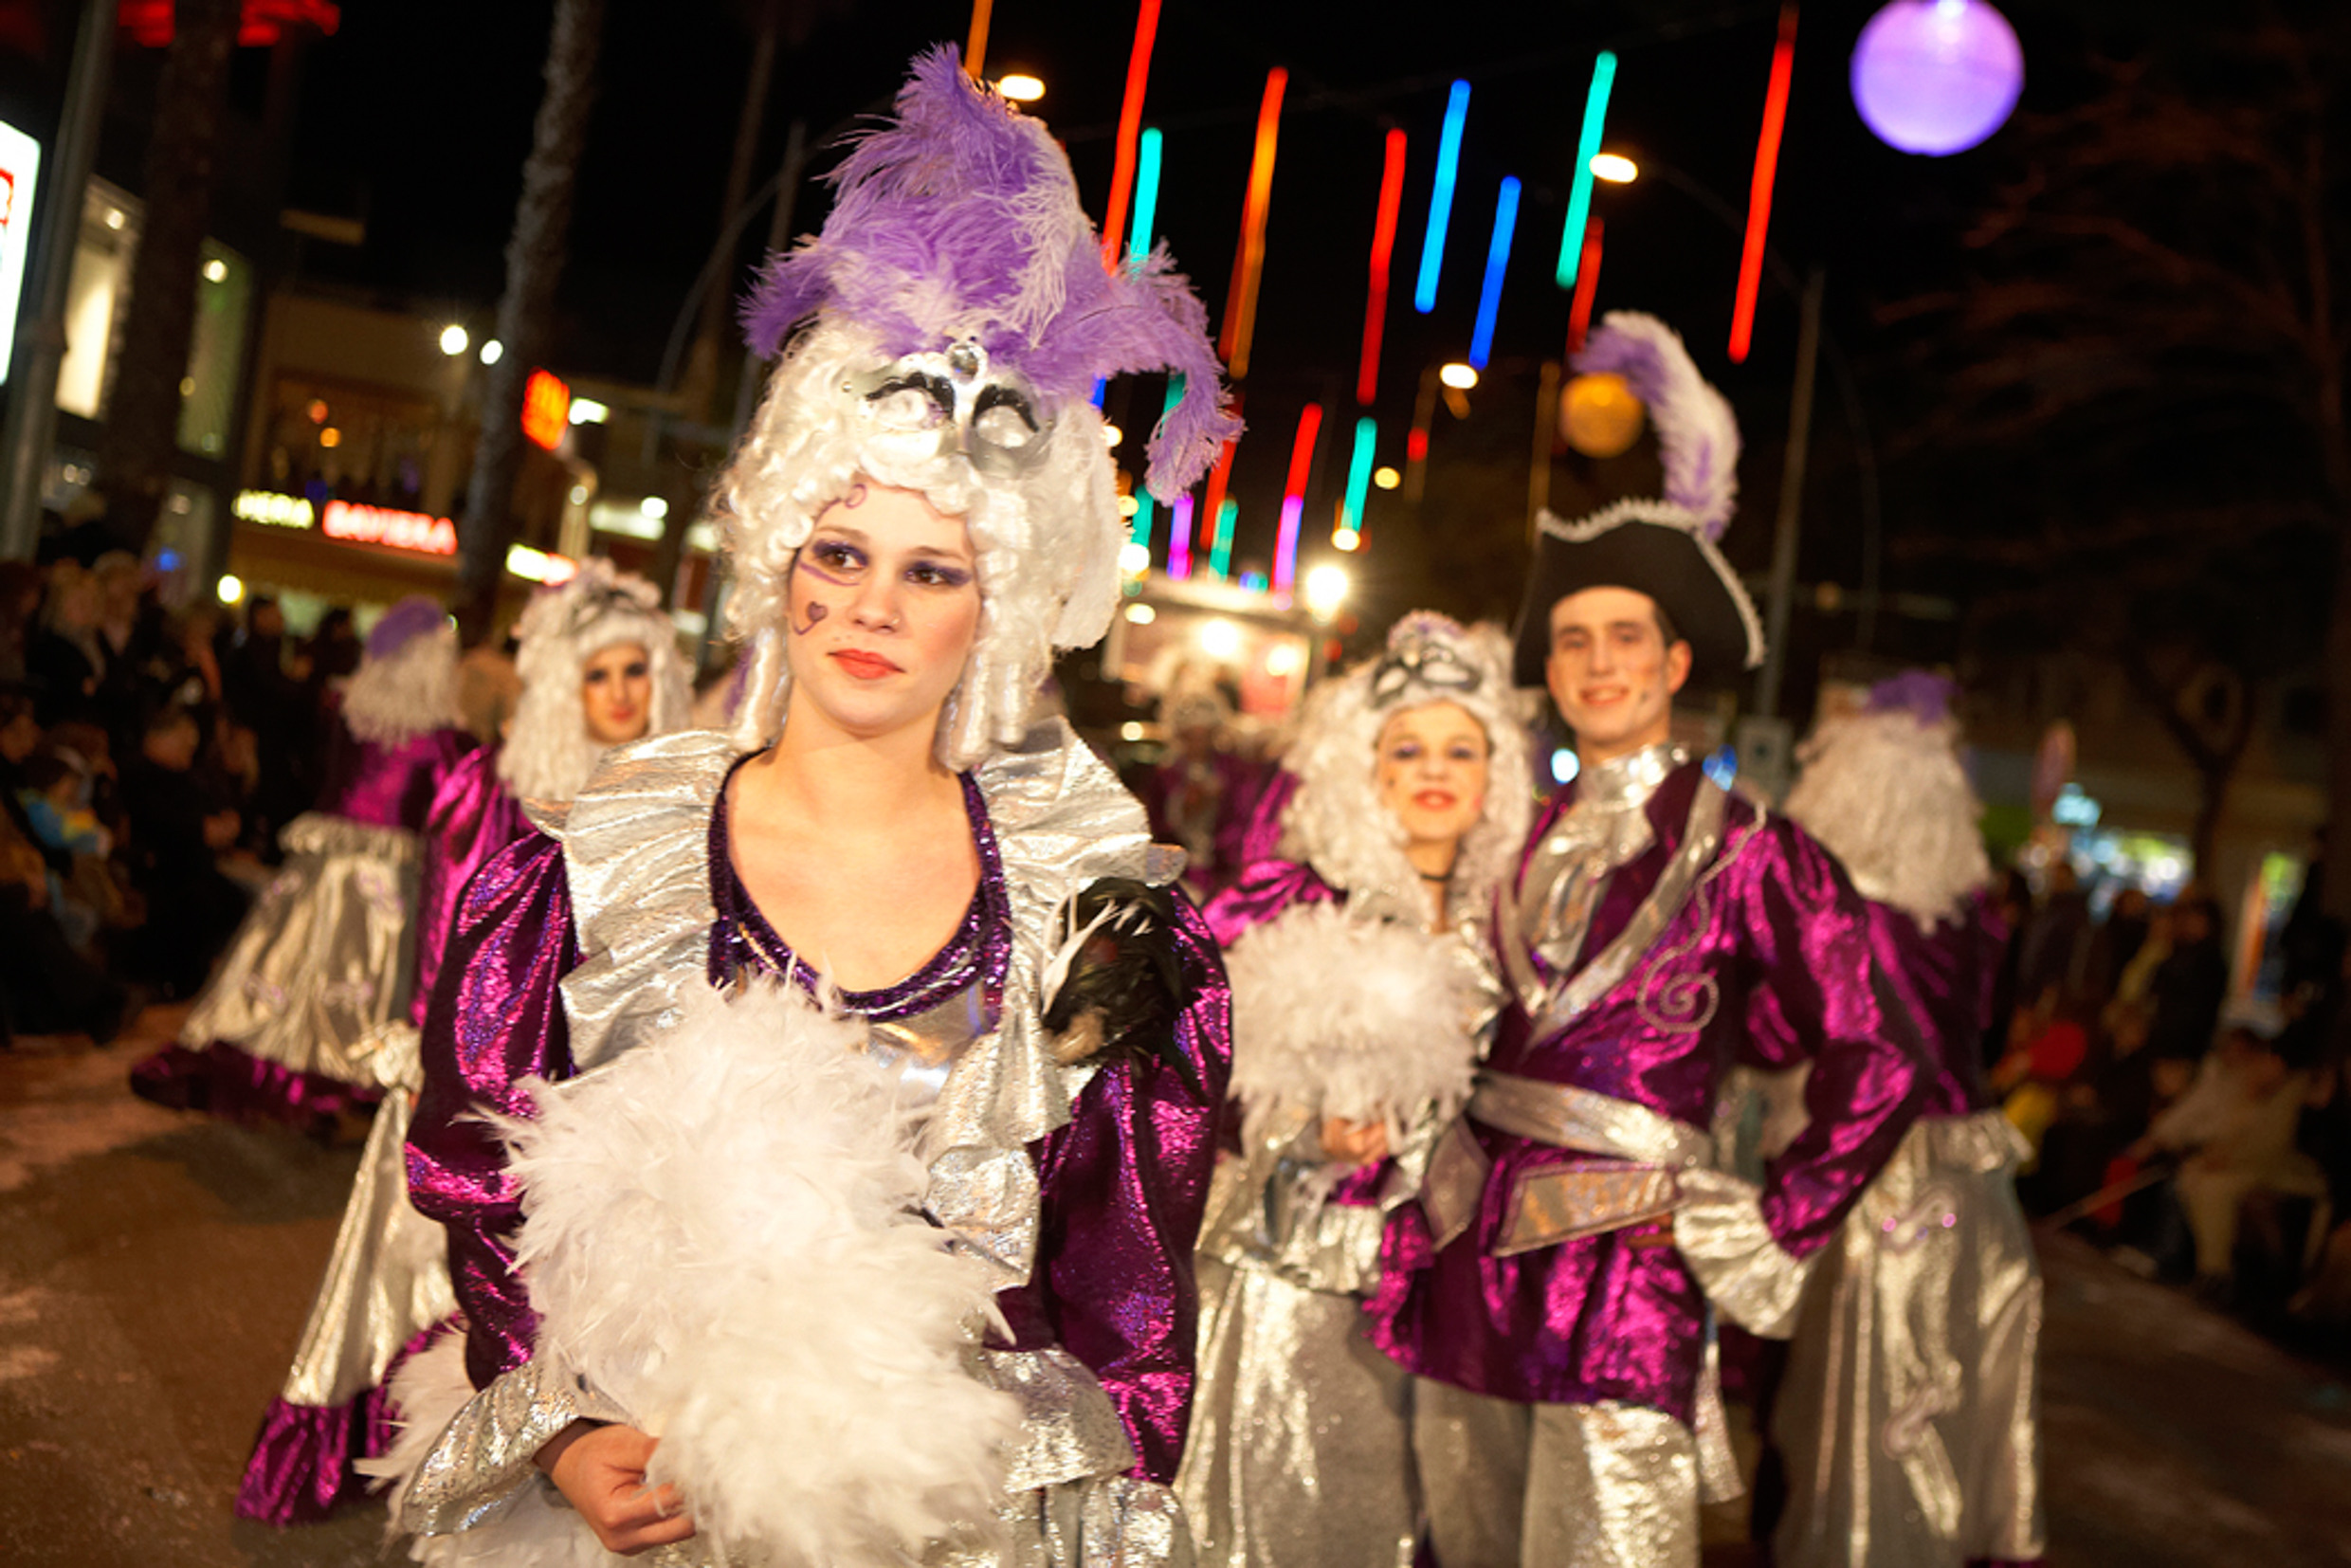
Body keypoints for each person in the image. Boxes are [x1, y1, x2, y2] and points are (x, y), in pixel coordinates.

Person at [376, 49, 1238, 1566]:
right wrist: (561, 1432)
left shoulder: (1091, 909)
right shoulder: (585, 866)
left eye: (934, 572)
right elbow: (474, 1167)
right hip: (630, 1504)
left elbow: (1130, 1285)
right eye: (839, 554)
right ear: (778, 550)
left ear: (1006, 605)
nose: (872, 610)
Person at [1362, 312, 1929, 1568]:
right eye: (1573, 639)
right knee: (1454, 1545)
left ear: (1677, 661)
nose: (1598, 660)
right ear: (1549, 669)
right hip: (1465, 1254)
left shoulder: (1752, 848)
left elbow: (1881, 1052)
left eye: (1626, 638)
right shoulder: (1507, 827)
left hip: (1625, 1280)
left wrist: (1776, 1219)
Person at [230, 560, 696, 1527]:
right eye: (596, 674)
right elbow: (446, 936)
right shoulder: (492, 788)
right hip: (483, 1085)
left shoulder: (683, 803)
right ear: (561, 684)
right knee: (434, 1273)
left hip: (611, 1101)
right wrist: (431, 1066)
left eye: (633, 673)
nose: (617, 695)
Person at [1175, 612, 1530, 1568]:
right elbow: (1207, 1091)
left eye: (1461, 748)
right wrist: (1306, 1134)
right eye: (1404, 746)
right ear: (1361, 770)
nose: (1433, 768)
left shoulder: (1516, 932)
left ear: (1495, 774)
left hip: (1444, 1311)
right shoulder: (1294, 902)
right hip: (1297, 1292)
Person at [1768, 672, 2045, 1568]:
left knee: (1858, 1397)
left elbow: (1782, 1038)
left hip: (1868, 1173)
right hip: (1973, 1182)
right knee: (1952, 1386)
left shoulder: (1835, 908)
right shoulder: (1975, 917)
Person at [132, 599, 473, 1126]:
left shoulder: (348, 709)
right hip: (390, 873)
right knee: (369, 975)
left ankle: (295, 1061)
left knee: (296, 962)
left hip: (328, 859)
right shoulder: (446, 739)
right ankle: (353, 1072)